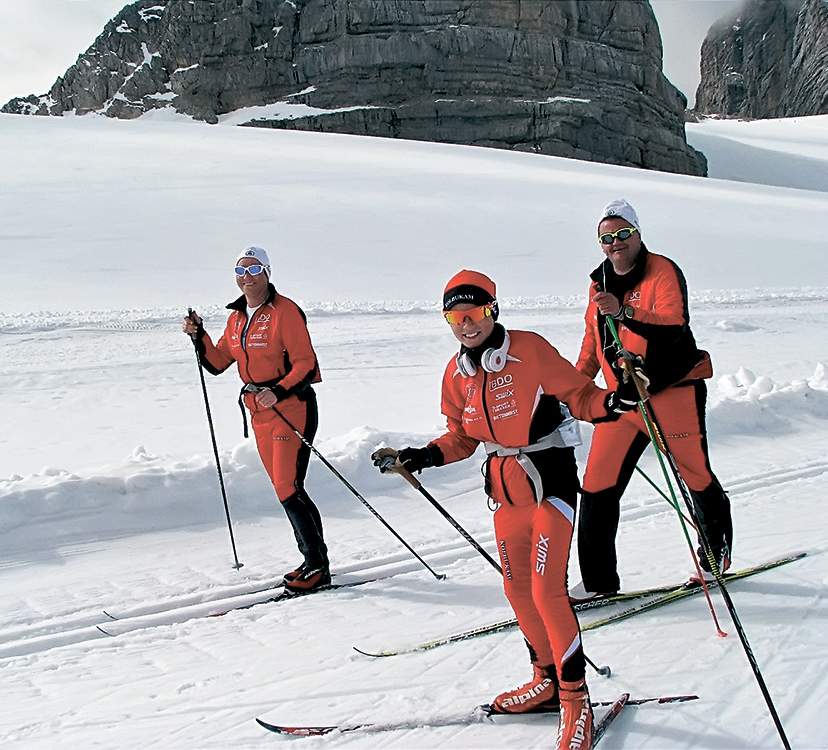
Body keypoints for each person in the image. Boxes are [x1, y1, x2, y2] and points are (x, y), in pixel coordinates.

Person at [372, 270, 640, 750]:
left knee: (546, 591)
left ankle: (576, 701)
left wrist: (614, 401)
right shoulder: (456, 374)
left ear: (493, 310)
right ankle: (545, 681)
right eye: (455, 316)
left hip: (550, 486)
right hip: (506, 494)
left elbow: (579, 395)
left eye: (474, 313)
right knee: (516, 589)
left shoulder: (529, 349)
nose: (466, 324)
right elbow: (461, 437)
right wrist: (420, 456)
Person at [572, 199, 734, 601]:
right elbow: (593, 344)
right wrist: (571, 389)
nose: (615, 243)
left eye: (623, 233)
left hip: (671, 392)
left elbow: (674, 325)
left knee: (695, 475)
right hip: (623, 402)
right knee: (596, 489)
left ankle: (716, 558)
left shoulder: (663, 270)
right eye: (606, 237)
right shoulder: (598, 284)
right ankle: (597, 584)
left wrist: (624, 311)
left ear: (638, 234)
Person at [183, 246, 330, 593]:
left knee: (287, 486)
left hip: (291, 408)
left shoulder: (286, 311)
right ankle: (313, 561)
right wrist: (199, 336)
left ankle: (317, 566)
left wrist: (278, 391)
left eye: (253, 270)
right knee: (287, 489)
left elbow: (305, 363)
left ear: (267, 273)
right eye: (240, 270)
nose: (246, 277)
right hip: (259, 412)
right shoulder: (236, 319)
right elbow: (218, 362)